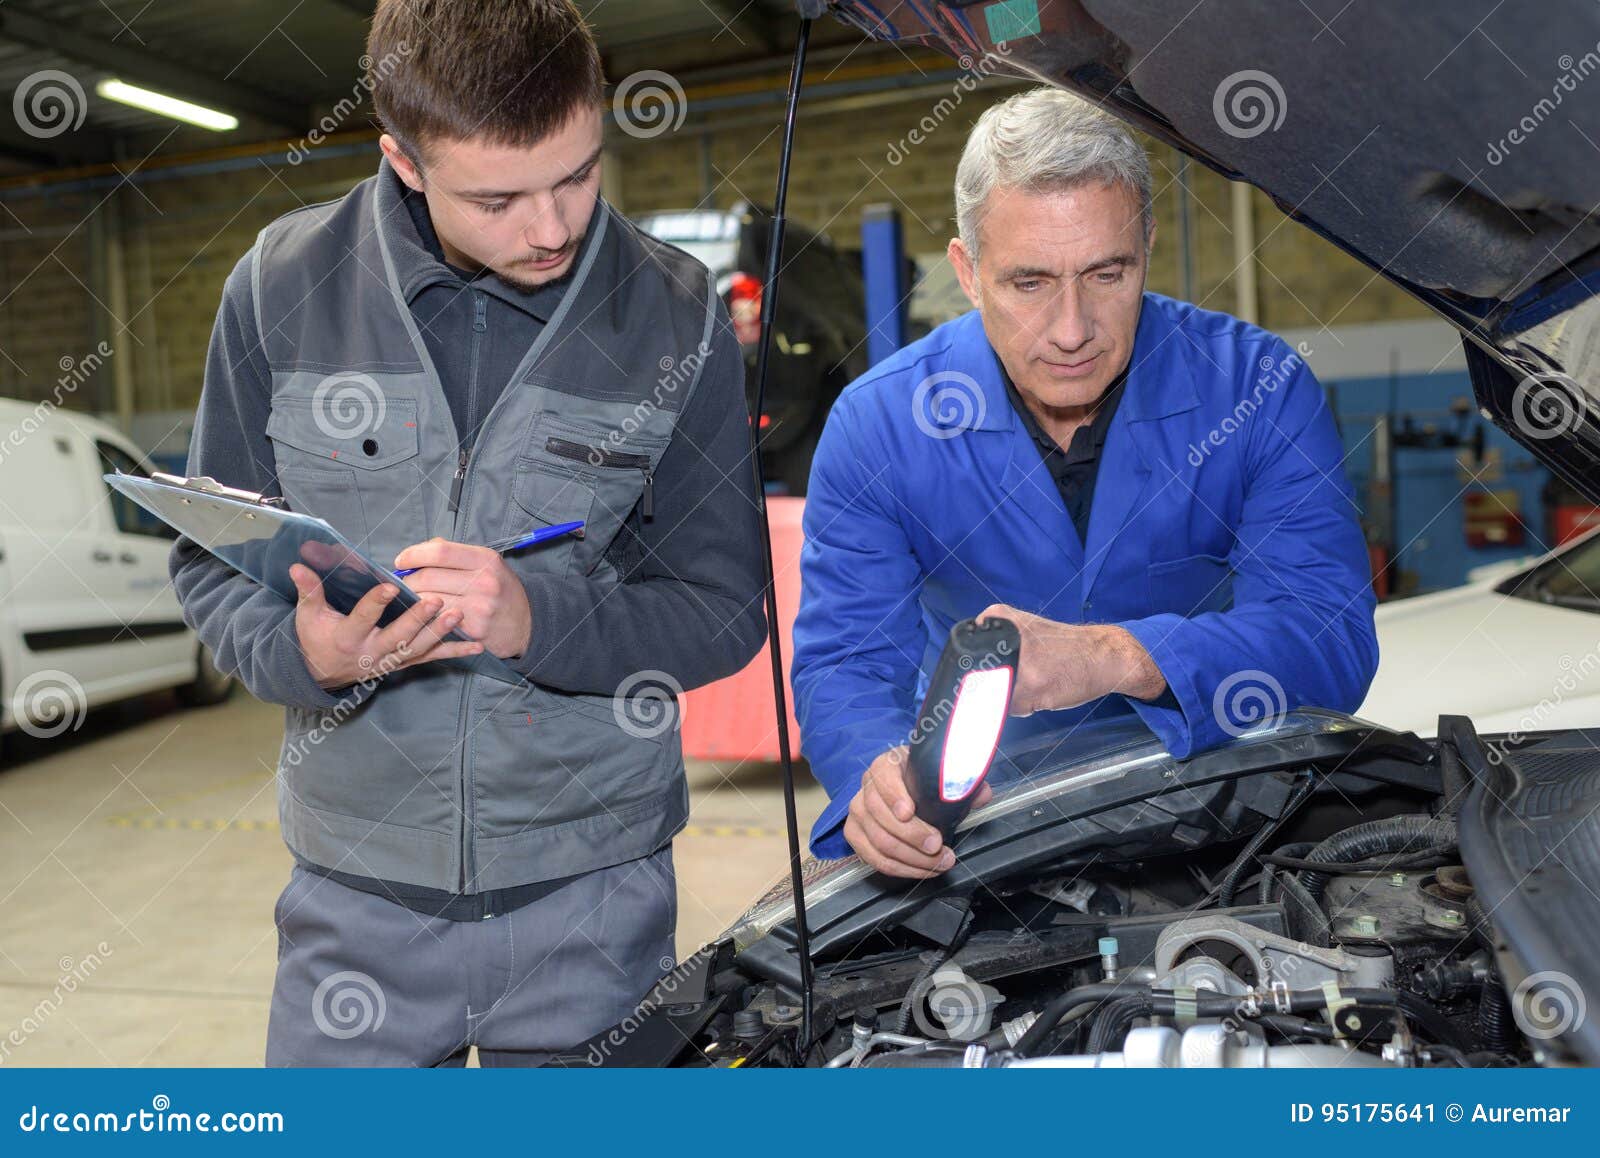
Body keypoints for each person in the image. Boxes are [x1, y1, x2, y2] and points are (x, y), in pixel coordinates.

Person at [169, 0, 765, 1064]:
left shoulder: (675, 316)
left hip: (596, 904)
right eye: (497, 197)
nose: (552, 228)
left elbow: (724, 607)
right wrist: (298, 651)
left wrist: (542, 615)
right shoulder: (279, 287)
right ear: (403, 157)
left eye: (578, 173)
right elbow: (211, 552)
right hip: (353, 905)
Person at [791, 88, 1377, 878]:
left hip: (1222, 819)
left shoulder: (1257, 388)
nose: (1071, 330)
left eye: (1106, 274)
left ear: (1147, 246)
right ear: (967, 272)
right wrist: (878, 783)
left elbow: (1327, 635)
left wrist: (1116, 656)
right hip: (981, 837)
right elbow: (849, 662)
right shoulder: (880, 425)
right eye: (1028, 283)